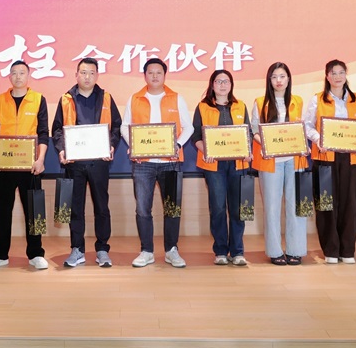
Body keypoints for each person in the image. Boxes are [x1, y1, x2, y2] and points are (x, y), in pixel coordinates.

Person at [121, 58, 193, 268]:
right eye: (150, 72)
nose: (154, 76)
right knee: (143, 209)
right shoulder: (135, 98)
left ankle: (172, 250)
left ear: (164, 75)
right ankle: (146, 251)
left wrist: (177, 145)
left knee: (172, 208)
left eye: (158, 72)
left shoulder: (176, 98)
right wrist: (134, 144)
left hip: (170, 162)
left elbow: (188, 127)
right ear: (145, 75)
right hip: (143, 163)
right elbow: (125, 126)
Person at [0, 60, 50, 270]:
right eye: (14, 73)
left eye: (22, 73)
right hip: (4, 165)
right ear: (9, 77)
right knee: (3, 210)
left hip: (30, 165)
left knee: (33, 210)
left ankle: (36, 254)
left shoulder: (38, 99)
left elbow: (43, 132)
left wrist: (41, 159)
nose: (18, 76)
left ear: (28, 76)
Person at [51, 57, 122, 268]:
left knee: (102, 207)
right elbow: (57, 129)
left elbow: (116, 127)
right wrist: (62, 150)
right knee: (76, 208)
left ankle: (102, 249)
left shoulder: (106, 98)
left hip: (99, 162)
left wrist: (111, 145)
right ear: (76, 75)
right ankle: (77, 249)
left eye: (91, 73)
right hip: (75, 163)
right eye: (83, 72)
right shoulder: (66, 99)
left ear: (97, 75)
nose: (87, 77)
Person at [303, 59, 356, 264]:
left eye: (341, 72)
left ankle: (347, 250)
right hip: (325, 157)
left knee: (350, 203)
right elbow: (307, 126)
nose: (337, 77)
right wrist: (318, 139)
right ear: (327, 76)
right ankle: (331, 250)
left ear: (346, 75)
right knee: (326, 203)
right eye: (333, 73)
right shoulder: (317, 99)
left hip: (351, 158)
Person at [192, 69, 252, 266]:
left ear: (231, 85)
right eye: (218, 81)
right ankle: (220, 251)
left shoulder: (240, 105)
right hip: (213, 166)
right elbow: (196, 136)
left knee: (238, 208)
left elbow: (248, 133)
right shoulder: (202, 107)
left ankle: (237, 251)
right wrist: (206, 150)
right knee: (218, 208)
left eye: (226, 81)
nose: (223, 85)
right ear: (212, 84)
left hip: (238, 164)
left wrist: (248, 150)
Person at [251, 62, 308, 266]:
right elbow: (254, 130)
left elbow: (303, 128)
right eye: (274, 77)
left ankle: (296, 250)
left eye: (282, 76)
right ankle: (275, 251)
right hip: (270, 161)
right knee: (272, 207)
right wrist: (266, 145)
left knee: (296, 206)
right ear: (269, 80)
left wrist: (304, 143)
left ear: (289, 79)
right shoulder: (260, 102)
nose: (278, 80)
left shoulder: (298, 101)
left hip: (295, 160)